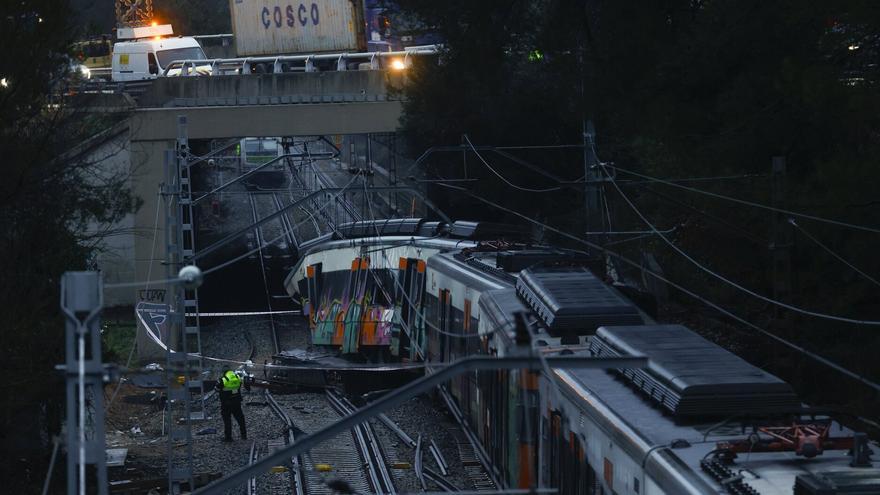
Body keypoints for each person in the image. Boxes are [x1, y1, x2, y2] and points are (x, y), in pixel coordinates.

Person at [215, 369, 249, 442]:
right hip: (236, 402)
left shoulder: (223, 380)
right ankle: (244, 435)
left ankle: (228, 437)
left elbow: (217, 388)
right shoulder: (237, 377)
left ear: (225, 373)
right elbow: (239, 386)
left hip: (226, 403)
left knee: (227, 420)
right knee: (240, 419)